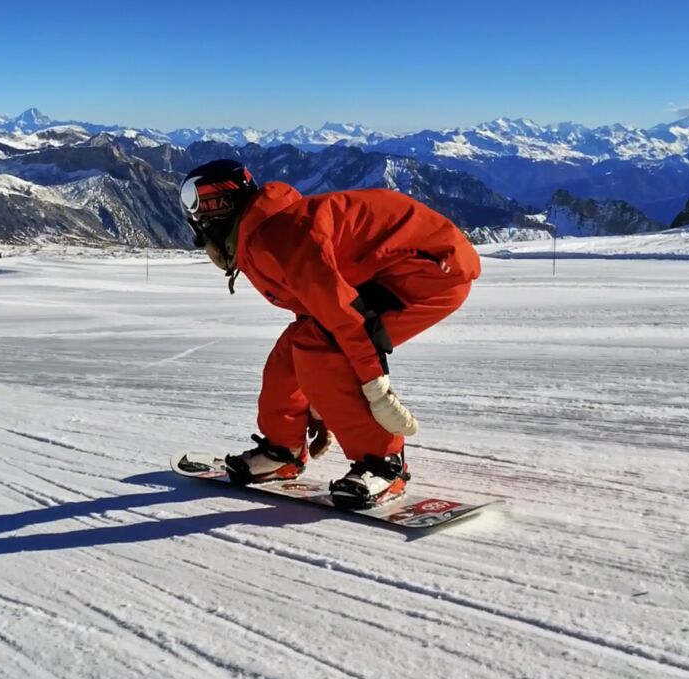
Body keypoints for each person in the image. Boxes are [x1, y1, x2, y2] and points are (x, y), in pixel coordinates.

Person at [179, 159, 481, 508]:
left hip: (432, 273)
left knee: (322, 347)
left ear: (218, 208)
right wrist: (321, 405)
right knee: (297, 346)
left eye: (194, 205)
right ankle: (284, 448)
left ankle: (384, 463)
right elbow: (312, 303)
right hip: (393, 268)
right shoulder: (261, 234)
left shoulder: (279, 237)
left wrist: (375, 387)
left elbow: (346, 320)